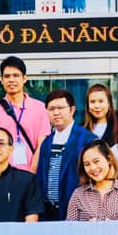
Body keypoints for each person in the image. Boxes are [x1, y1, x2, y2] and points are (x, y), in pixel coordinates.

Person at [33, 89, 97, 221]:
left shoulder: (87, 139)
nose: (56, 112)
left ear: (72, 110)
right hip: (48, 213)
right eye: (51, 109)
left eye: (60, 108)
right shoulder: (46, 142)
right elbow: (40, 178)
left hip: (77, 212)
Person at [0, 56, 51, 171]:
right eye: (7, 76)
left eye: (16, 75)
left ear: (24, 78)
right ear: (2, 80)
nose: (11, 80)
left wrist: (31, 173)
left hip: (31, 173)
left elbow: (42, 144)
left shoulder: (40, 108)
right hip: (1, 174)